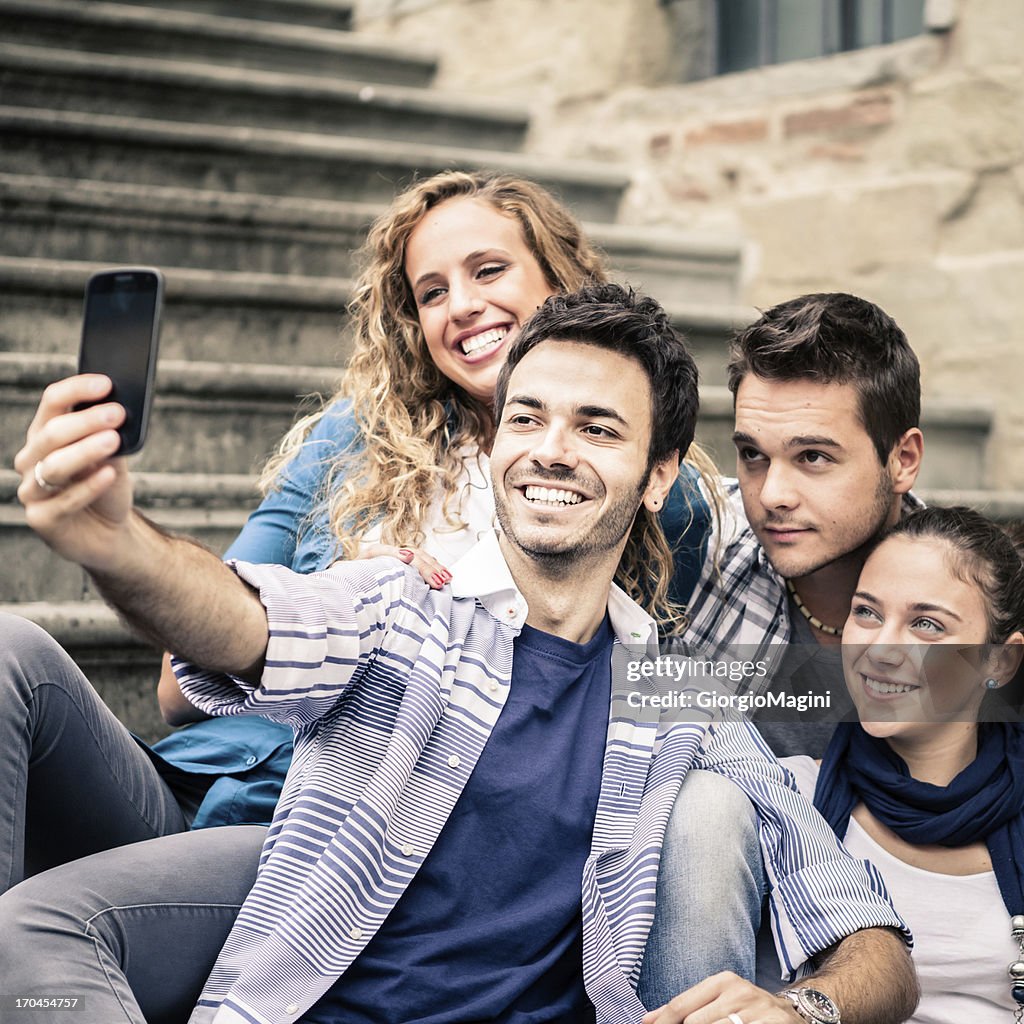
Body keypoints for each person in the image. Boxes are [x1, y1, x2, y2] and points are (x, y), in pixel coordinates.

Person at [4, 284, 917, 1024]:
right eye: (526, 420)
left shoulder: (675, 691)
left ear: (660, 476)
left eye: (598, 429)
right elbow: (241, 624)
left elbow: (871, 938)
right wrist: (119, 544)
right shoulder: (400, 609)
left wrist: (807, 1012)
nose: (550, 453)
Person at [1, 171, 716, 899]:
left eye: (489, 270)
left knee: (49, 929)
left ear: (560, 279)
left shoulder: (647, 493)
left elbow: (624, 708)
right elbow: (176, 689)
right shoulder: (355, 436)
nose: (463, 306)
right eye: (432, 292)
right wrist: (338, 600)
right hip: (182, 790)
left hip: (323, 838)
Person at [772, 505, 1024, 1023]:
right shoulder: (790, 799)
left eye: (927, 624)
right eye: (866, 612)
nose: (881, 648)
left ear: (999, 661)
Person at [677, 291, 926, 758]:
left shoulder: (975, 601)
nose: (772, 495)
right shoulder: (699, 538)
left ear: (902, 460)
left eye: (812, 457)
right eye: (753, 454)